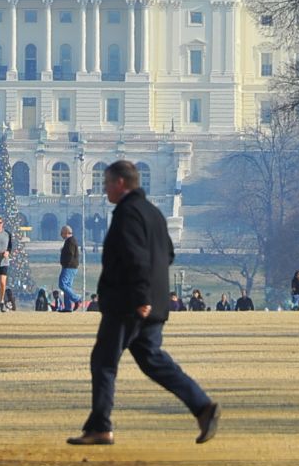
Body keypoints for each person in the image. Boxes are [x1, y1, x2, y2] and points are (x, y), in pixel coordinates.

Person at [67, 159, 220, 447]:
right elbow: (168, 255)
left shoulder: (128, 214)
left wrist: (141, 297)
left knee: (104, 362)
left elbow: (135, 258)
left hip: (129, 304)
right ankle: (202, 406)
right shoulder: (153, 213)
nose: (104, 189)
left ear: (120, 183)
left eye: (107, 183)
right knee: (153, 360)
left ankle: (100, 427)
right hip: (151, 302)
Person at [59, 224, 82, 311]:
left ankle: (77, 298)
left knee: (62, 284)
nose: (61, 235)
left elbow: (70, 254)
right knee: (67, 286)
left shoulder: (70, 241)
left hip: (69, 267)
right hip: (71, 266)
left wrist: (65, 261)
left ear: (66, 233)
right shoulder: (70, 241)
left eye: (62, 233)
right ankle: (68, 307)